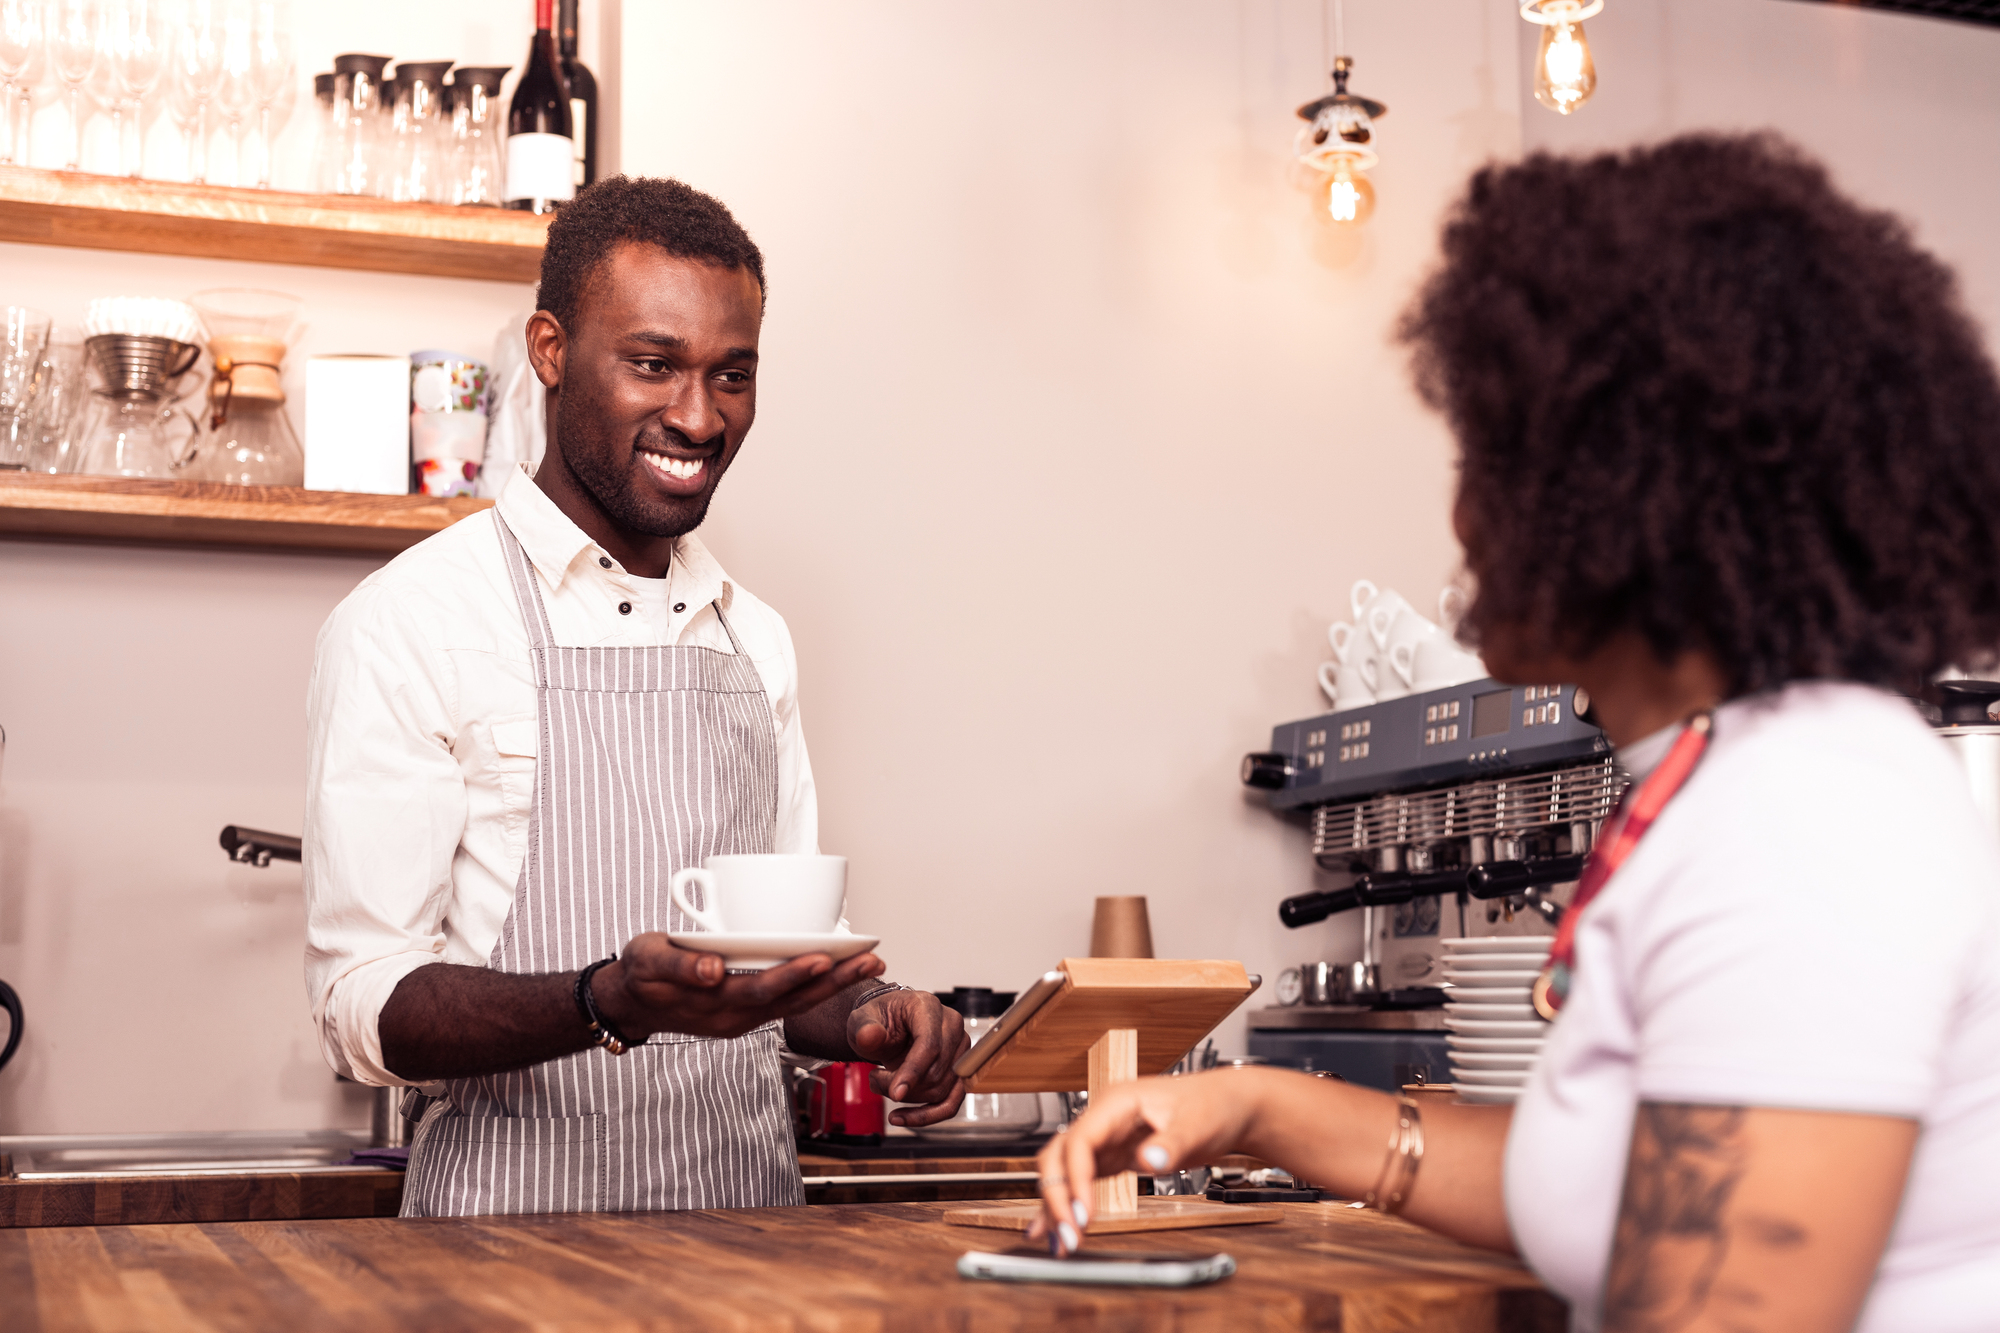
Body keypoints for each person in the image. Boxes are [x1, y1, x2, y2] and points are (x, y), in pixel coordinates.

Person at [1035, 134, 2000, 1331]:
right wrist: (1250, 1107)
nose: (1459, 511)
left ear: (1633, 490)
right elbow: (1614, 1179)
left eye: (1497, 455)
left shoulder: (1801, 813)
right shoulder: (1740, 778)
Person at [304, 176, 968, 1217]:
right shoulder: (414, 620)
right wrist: (602, 1001)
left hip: (749, 1238)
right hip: (505, 1244)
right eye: (652, 364)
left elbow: (788, 974)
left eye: (731, 375)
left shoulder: (756, 640)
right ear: (552, 349)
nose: (698, 417)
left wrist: (883, 1014)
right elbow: (364, 1007)